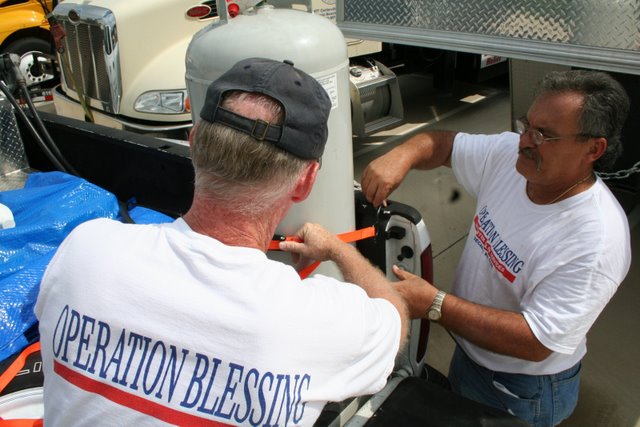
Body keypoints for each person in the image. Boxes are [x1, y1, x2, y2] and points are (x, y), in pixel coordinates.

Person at [35, 57, 410, 426]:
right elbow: (395, 317)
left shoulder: (86, 249)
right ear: (306, 180)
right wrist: (337, 249)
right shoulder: (312, 319)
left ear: (194, 140)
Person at [360, 70, 631, 427]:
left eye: (544, 135)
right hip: (473, 354)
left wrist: (435, 304)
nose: (525, 142)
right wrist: (403, 154)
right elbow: (442, 145)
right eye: (527, 125)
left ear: (593, 149)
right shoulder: (512, 158)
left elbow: (536, 341)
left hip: (521, 389)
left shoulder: (595, 240)